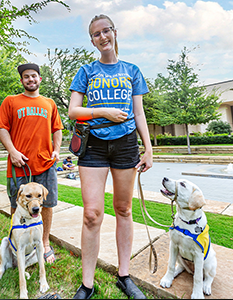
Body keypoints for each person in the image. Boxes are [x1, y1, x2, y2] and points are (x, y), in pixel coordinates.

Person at [68, 14, 153, 299]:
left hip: (126, 144)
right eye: (96, 34)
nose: (102, 37)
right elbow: (73, 111)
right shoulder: (86, 71)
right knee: (92, 214)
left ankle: (125, 276)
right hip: (93, 145)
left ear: (115, 32)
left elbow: (139, 112)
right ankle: (87, 284)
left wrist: (148, 148)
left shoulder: (132, 70)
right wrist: (102, 112)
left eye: (106, 31)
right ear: (91, 40)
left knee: (124, 209)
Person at [0, 63, 63, 264]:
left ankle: (45, 242)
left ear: (40, 79)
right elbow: (1, 128)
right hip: (19, 164)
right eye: (26, 77)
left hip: (45, 164)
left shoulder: (49, 103)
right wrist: (12, 152)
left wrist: (56, 149)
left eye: (34, 76)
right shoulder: (11, 101)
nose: (30, 79)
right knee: (18, 206)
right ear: (22, 80)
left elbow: (57, 129)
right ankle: (18, 246)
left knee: (47, 204)